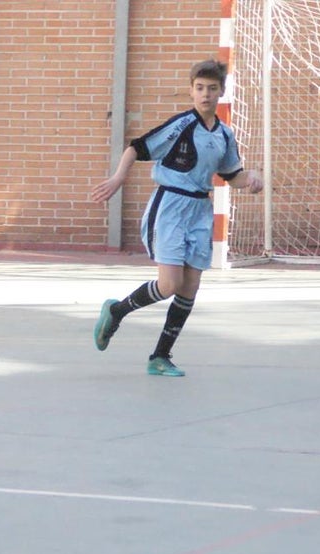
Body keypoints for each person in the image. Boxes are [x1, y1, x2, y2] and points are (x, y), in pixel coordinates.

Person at [90, 59, 263, 376]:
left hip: (200, 211)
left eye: (212, 88)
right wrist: (118, 178)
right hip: (170, 205)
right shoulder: (181, 126)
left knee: (189, 287)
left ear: (221, 92)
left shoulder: (224, 135)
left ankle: (160, 357)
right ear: (191, 91)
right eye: (200, 88)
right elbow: (136, 148)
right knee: (170, 284)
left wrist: (251, 178)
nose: (205, 94)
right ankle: (117, 311)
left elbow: (231, 175)